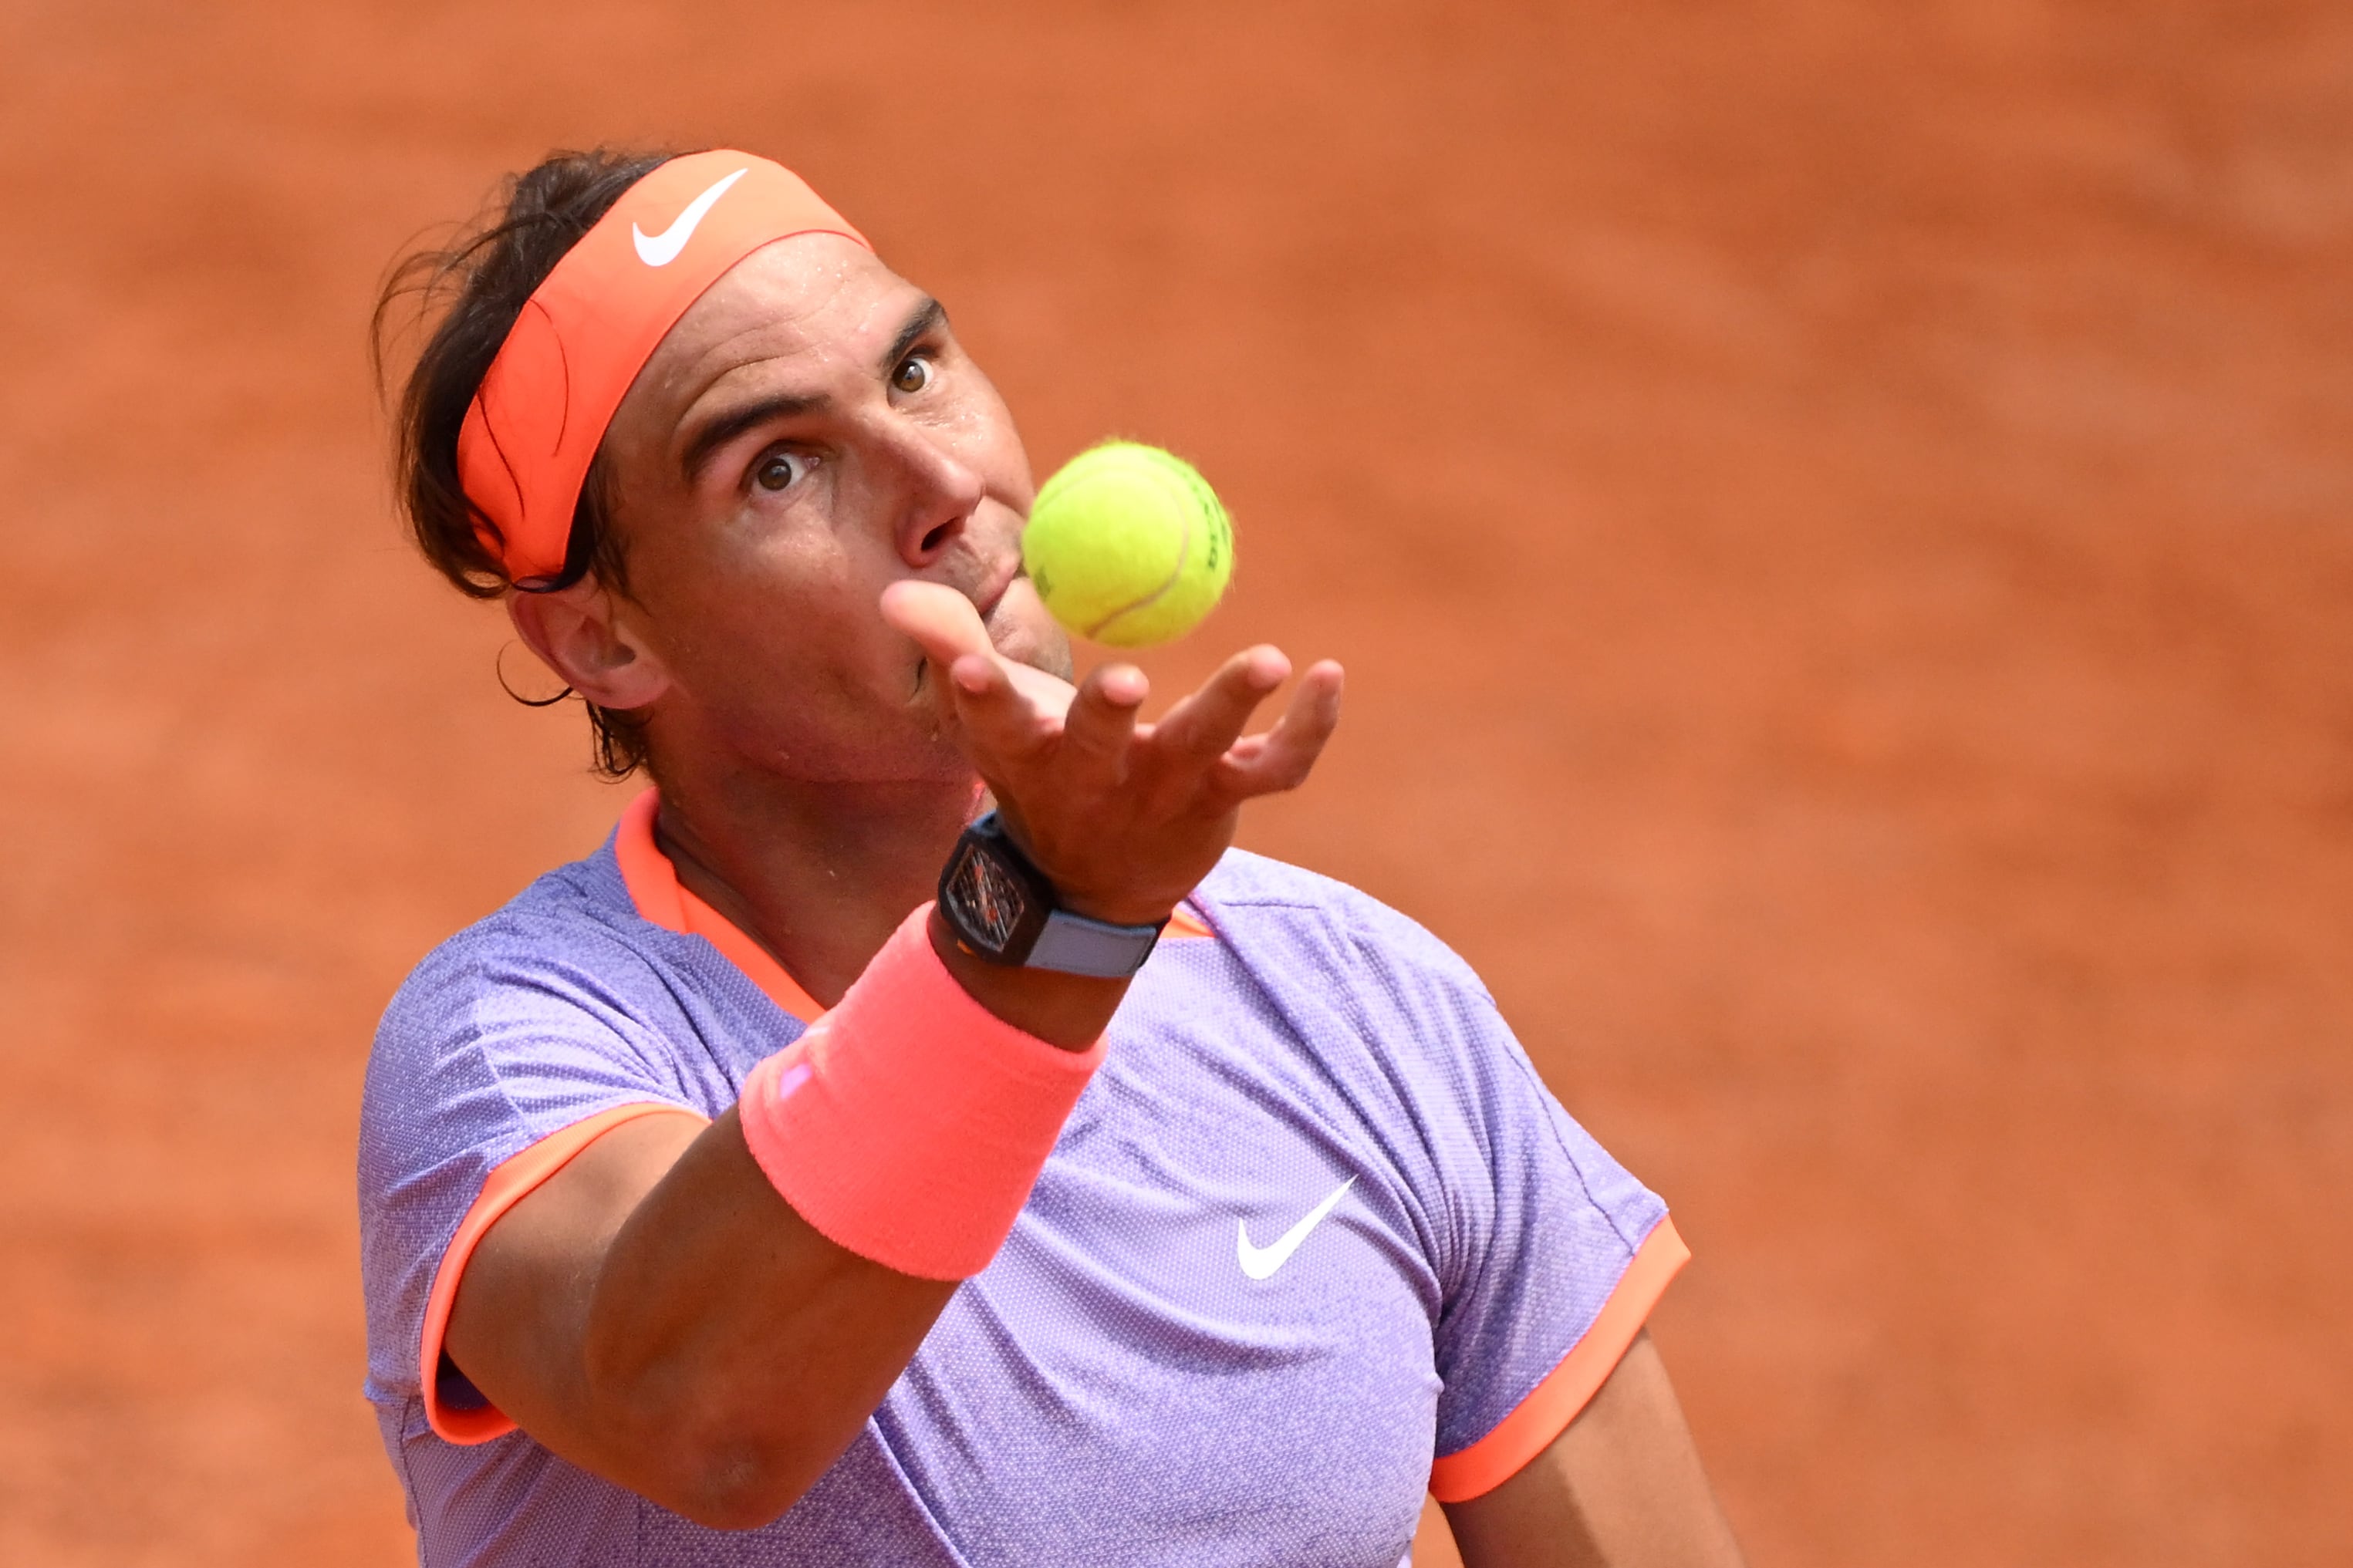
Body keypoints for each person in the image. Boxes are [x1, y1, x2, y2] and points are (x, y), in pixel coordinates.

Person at [359, 146, 1746, 1568]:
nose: (940, 481)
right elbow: (697, 1411)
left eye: (912, 372)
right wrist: (1046, 922)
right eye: (777, 466)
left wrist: (1058, 912)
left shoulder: (1359, 1004)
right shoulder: (517, 1049)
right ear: (604, 635)